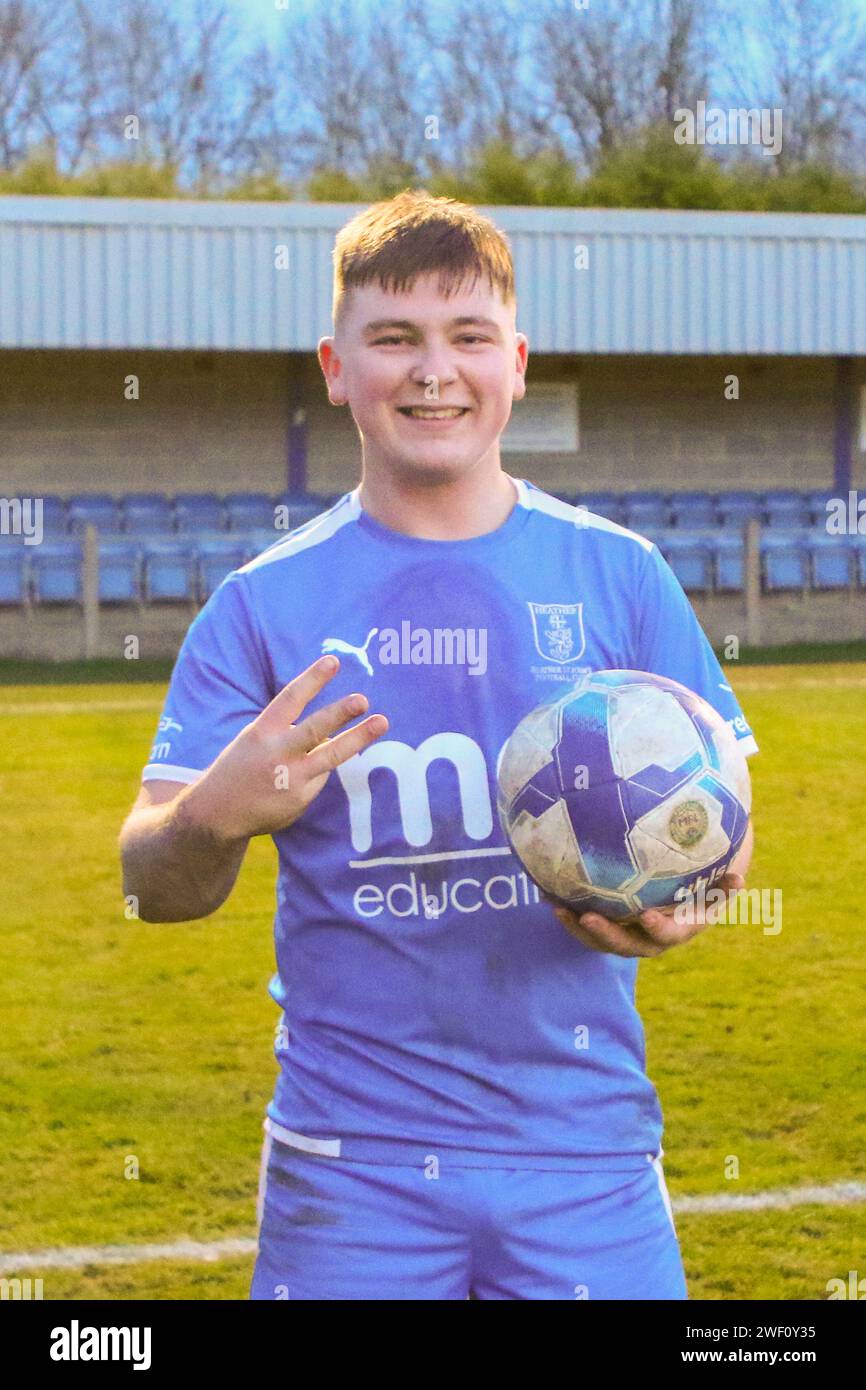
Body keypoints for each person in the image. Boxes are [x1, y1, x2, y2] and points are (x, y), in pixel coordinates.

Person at [119, 189, 757, 1301]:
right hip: (347, 1168)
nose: (432, 370)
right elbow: (150, 884)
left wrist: (667, 911)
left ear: (515, 362)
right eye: (393, 338)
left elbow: (722, 836)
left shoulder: (621, 575)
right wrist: (213, 815)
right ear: (334, 364)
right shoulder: (260, 605)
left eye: (467, 337)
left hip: (585, 1155)